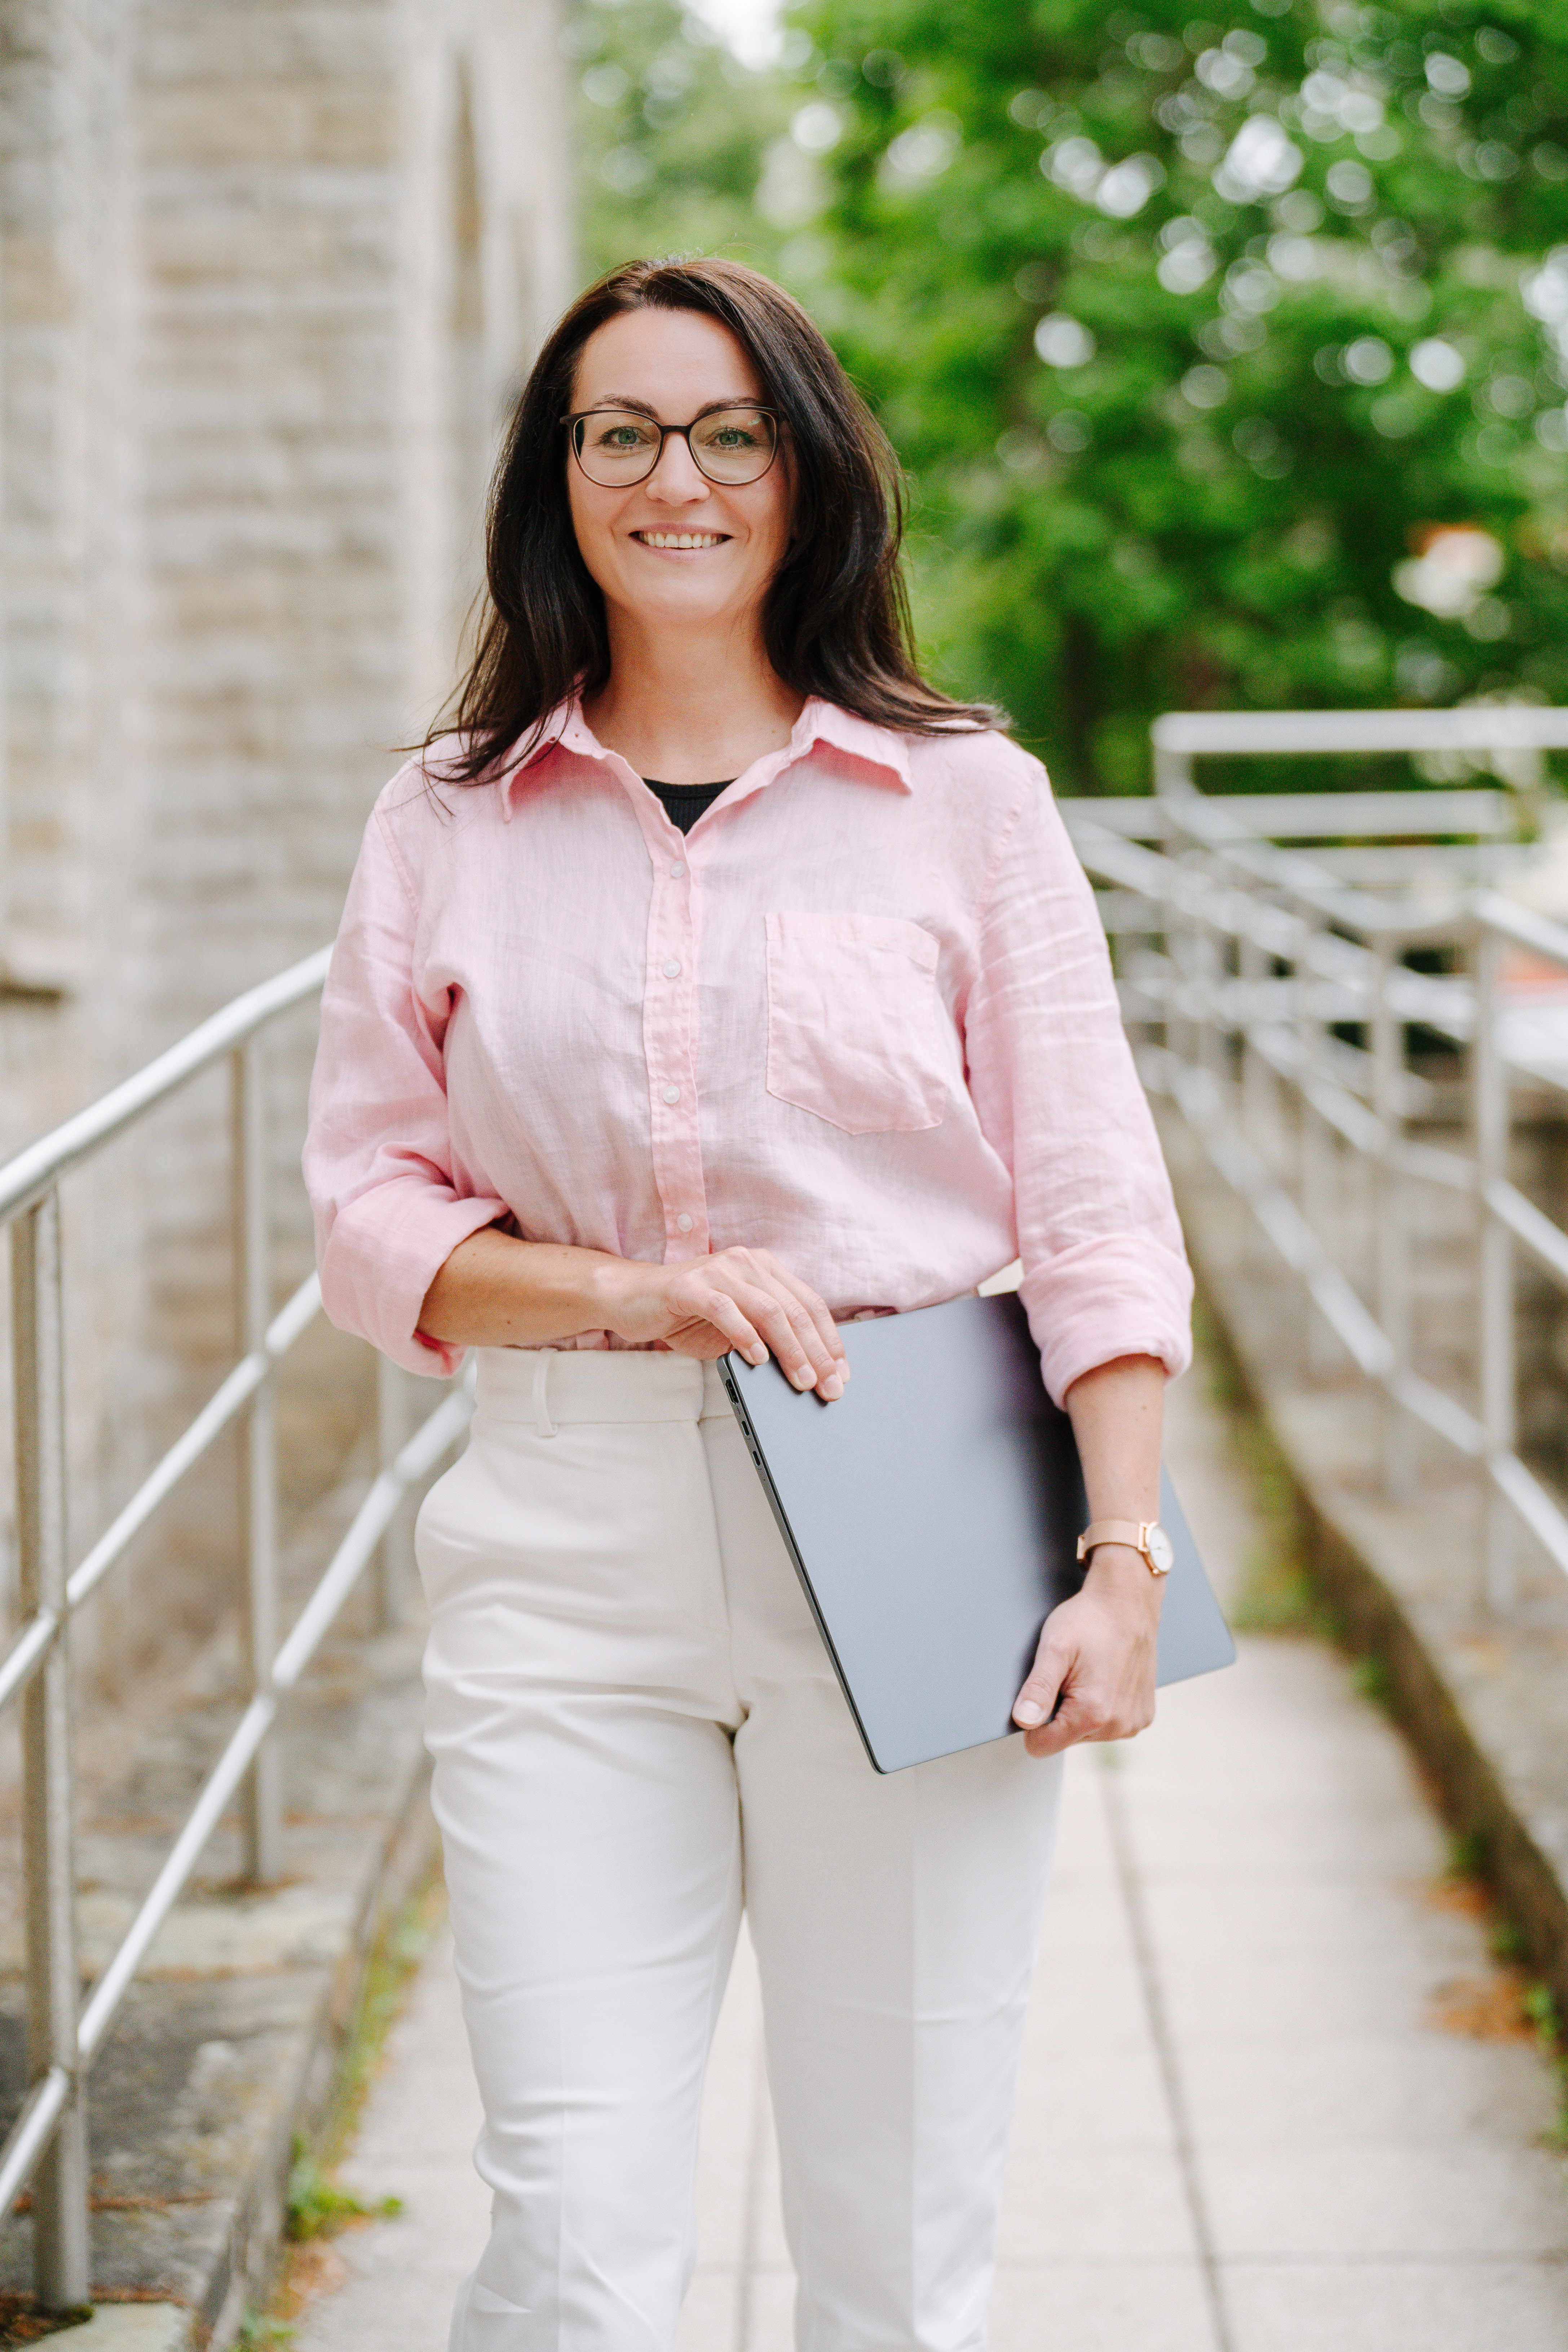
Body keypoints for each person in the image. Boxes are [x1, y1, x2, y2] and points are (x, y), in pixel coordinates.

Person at [303, 256, 1192, 2352]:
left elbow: (1091, 1200)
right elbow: (364, 1206)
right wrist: (639, 1289)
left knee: (894, 2246)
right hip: (566, 1539)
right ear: (562, 476)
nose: (675, 478)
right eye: (622, 430)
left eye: (730, 431)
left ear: (804, 473)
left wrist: (1125, 1554)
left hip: (916, 1518)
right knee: (578, 2244)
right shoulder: (444, 814)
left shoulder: (967, 798)